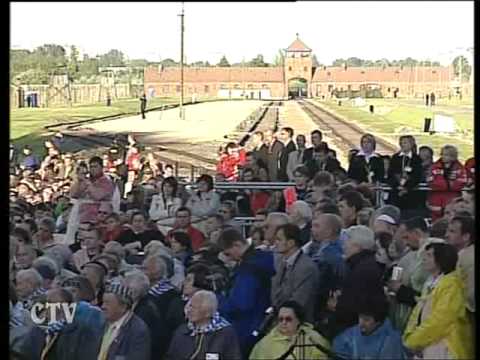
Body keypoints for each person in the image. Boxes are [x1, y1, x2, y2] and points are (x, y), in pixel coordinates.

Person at [403, 243, 473, 359]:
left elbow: (440, 320)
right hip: (426, 344)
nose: (424, 259)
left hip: (445, 347)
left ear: (441, 259)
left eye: (429, 255)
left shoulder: (452, 285)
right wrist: (410, 336)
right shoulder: (430, 282)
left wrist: (414, 340)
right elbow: (417, 313)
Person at [217, 228, 275, 356]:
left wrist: (218, 300)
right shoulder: (264, 258)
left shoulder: (248, 269)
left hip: (246, 326)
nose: (229, 258)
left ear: (237, 244)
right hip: (259, 323)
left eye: (228, 253)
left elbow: (242, 304)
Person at [331, 225, 385, 336]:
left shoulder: (362, 270)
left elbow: (356, 305)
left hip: (355, 331)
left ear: (357, 245)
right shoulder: (364, 265)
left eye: (346, 242)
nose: (343, 246)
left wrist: (337, 305)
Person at [166, 290, 242, 360]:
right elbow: (170, 357)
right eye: (190, 306)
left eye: (194, 308)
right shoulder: (181, 331)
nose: (189, 310)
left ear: (207, 313)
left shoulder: (226, 333)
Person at [333, 295, 407, 359]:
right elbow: (339, 349)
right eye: (360, 317)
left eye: (366, 320)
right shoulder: (349, 336)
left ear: (378, 322)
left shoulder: (391, 341)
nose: (361, 323)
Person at [249, 301, 329, 360]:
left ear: (298, 320)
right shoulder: (264, 344)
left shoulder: (314, 339)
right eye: (281, 319)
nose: (284, 322)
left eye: (288, 319)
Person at [271, 224, 319, 323]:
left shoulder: (306, 267)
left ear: (291, 243)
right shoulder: (280, 262)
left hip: (297, 323)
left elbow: (300, 301)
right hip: (279, 320)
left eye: (279, 239)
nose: (275, 243)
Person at [67, 157, 115, 245]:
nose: (93, 169)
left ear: (101, 167)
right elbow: (73, 194)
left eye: (95, 167)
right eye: (91, 167)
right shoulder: (86, 181)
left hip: (97, 219)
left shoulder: (106, 182)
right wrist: (79, 180)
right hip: (81, 217)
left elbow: (98, 196)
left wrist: (88, 183)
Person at [98, 282, 151, 360]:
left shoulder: (138, 330)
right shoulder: (101, 321)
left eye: (107, 303)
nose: (103, 307)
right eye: (103, 302)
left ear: (123, 306)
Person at [427, 145, 468, 221]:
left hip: (453, 199)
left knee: (452, 220)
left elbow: (461, 182)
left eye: (446, 155)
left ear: (452, 156)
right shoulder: (434, 167)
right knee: (436, 223)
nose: (443, 156)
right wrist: (447, 184)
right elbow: (430, 181)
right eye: (442, 154)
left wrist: (447, 185)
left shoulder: (460, 168)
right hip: (436, 199)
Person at [387, 135, 423, 219]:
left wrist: (407, 188)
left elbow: (417, 176)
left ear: (411, 144)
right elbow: (390, 174)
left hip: (410, 193)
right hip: (396, 192)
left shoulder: (416, 159)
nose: (403, 145)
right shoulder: (395, 158)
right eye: (401, 143)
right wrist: (397, 186)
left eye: (405, 143)